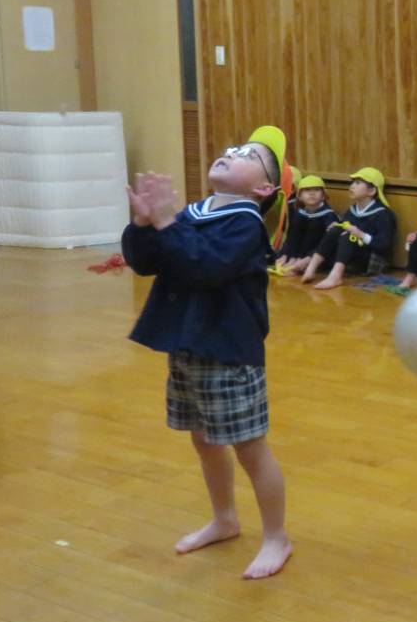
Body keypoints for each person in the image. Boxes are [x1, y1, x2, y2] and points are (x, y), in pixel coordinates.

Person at [122, 125, 295, 578]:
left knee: (249, 449)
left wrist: (166, 223)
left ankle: (277, 537)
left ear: (263, 189)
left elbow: (205, 266)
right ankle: (224, 519)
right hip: (187, 345)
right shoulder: (194, 212)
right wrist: (143, 225)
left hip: (228, 352)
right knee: (203, 440)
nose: (231, 152)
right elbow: (148, 262)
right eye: (234, 147)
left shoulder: (246, 223)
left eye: (248, 156)